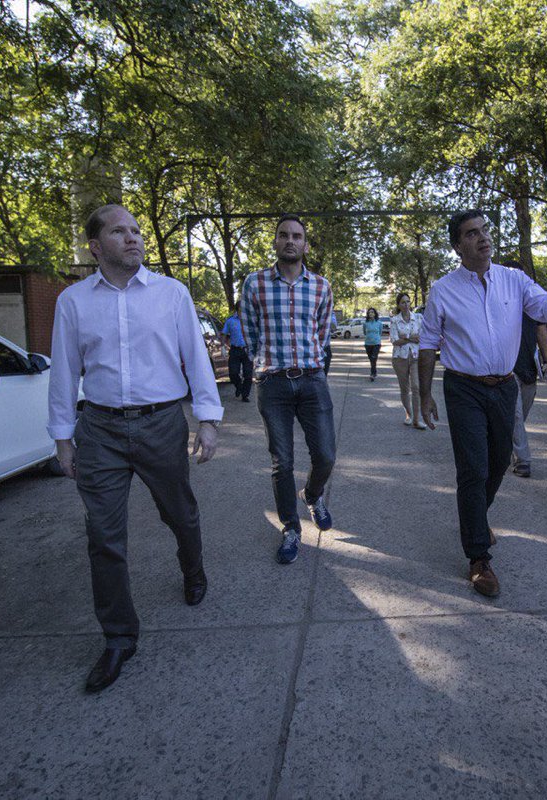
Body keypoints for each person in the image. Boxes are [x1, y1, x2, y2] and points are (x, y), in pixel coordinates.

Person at [49, 204, 222, 693]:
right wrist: (63, 438)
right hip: (98, 429)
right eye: (119, 231)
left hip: (161, 423)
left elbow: (195, 357)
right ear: (95, 245)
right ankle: (120, 638)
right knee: (103, 536)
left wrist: (207, 419)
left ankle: (193, 568)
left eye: (136, 230)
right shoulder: (73, 301)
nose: (133, 238)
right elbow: (64, 372)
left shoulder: (171, 293)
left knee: (179, 513)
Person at [418, 210, 547, 598]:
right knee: (473, 469)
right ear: (458, 245)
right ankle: (478, 557)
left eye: (485, 231)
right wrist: (424, 394)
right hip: (463, 388)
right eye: (472, 234)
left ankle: (476, 518)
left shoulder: (513, 279)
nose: (483, 238)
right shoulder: (443, 290)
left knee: (500, 461)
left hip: (505, 387)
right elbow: (428, 344)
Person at [241, 214, 336, 564]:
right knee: (282, 462)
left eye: (297, 236)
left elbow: (322, 334)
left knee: (325, 454)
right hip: (274, 383)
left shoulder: (322, 286)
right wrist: (260, 367)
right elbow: (250, 332)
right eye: (284, 235)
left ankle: (312, 494)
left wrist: (314, 365)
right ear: (275, 242)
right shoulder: (255, 283)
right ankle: (291, 528)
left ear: (306, 245)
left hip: (312, 379)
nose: (290, 241)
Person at [501, 260, 547, 478]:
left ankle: (506, 445)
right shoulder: (498, 301)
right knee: (516, 416)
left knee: (519, 416)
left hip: (529, 367)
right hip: (506, 369)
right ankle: (523, 461)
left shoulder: (533, 303)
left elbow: (542, 331)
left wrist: (546, 358)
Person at [389, 292, 424, 428]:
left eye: (408, 301)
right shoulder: (395, 320)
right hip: (400, 359)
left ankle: (417, 419)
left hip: (415, 357)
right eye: (403, 302)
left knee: (416, 387)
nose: (406, 304)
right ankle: (408, 414)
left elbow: (422, 336)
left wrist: (405, 338)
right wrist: (410, 338)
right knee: (404, 389)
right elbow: (394, 341)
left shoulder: (418, 318)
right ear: (398, 305)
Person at [222, 299, 253, 402]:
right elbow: (224, 334)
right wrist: (223, 346)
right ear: (237, 309)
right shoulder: (230, 321)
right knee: (233, 373)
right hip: (235, 350)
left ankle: (245, 395)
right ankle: (239, 386)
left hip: (247, 350)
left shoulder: (250, 320)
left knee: (248, 375)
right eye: (241, 309)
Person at [363, 307, 383, 381]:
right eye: (369, 312)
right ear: (368, 314)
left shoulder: (379, 323)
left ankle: (373, 374)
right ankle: (374, 372)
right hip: (368, 344)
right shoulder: (365, 323)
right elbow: (365, 332)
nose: (371, 313)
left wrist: (376, 338)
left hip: (376, 343)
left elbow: (380, 333)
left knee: (374, 358)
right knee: (371, 359)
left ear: (375, 314)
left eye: (372, 312)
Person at [324, 308, 337, 376]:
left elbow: (333, 326)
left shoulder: (330, 311)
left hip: (325, 347)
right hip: (311, 349)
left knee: (323, 377)